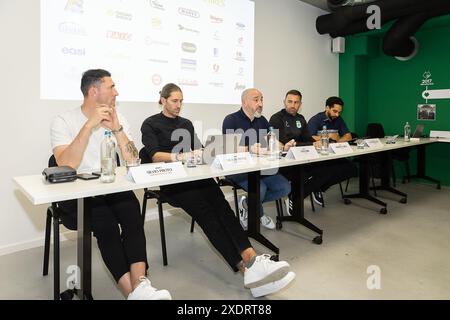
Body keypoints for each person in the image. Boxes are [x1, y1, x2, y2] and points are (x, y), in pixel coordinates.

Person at [141, 83, 295, 298]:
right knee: (207, 215)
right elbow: (155, 155)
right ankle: (247, 268)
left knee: (222, 207)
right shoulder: (150, 124)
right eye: (175, 101)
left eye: (181, 101)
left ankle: (251, 263)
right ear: (163, 100)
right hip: (172, 182)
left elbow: (199, 149)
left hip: (194, 176)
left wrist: (207, 153)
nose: (179, 105)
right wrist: (181, 156)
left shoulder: (185, 123)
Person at [50, 69, 171, 300]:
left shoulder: (119, 117)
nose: (117, 92)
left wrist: (117, 129)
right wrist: (89, 126)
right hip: (76, 193)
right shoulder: (63, 120)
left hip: (109, 187)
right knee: (105, 225)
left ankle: (141, 286)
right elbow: (66, 164)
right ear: (94, 91)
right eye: (112, 87)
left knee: (132, 214)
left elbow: (133, 160)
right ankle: (133, 294)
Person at [222, 88, 291, 230]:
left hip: (260, 167)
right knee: (261, 188)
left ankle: (248, 204)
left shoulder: (262, 120)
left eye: (262, 99)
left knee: (284, 187)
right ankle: (258, 213)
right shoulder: (231, 119)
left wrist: (283, 147)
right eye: (256, 99)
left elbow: (272, 141)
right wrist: (251, 149)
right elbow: (229, 149)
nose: (260, 103)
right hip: (238, 168)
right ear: (244, 102)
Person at [305, 95, 358, 205]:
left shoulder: (338, 119)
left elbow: (348, 136)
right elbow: (309, 138)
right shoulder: (316, 120)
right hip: (320, 156)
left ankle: (319, 188)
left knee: (352, 169)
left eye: (339, 112)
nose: (337, 114)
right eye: (334, 111)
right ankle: (315, 186)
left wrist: (335, 143)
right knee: (328, 171)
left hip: (334, 153)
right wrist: (329, 138)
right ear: (327, 108)